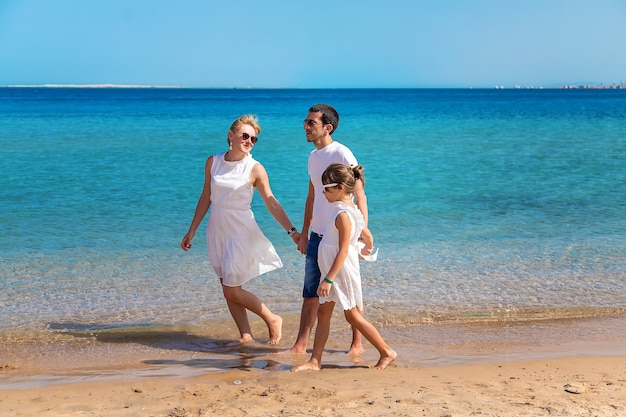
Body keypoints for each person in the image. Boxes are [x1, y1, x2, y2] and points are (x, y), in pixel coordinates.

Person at [181, 114, 301, 345]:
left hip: (240, 230)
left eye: (253, 139)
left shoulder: (255, 168)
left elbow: (271, 202)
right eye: (245, 136)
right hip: (217, 227)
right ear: (231, 136)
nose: (249, 141)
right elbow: (206, 196)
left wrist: (292, 232)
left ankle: (272, 318)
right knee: (226, 283)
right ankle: (245, 334)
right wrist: (192, 229)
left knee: (231, 289)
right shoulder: (213, 161)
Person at [292, 164, 397, 371]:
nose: (323, 193)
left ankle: (386, 351)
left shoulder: (342, 215)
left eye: (327, 188)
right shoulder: (350, 209)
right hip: (334, 268)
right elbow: (365, 231)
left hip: (339, 271)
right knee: (324, 313)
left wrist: (328, 279)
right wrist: (369, 244)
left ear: (340, 188)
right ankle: (315, 361)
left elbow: (342, 251)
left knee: (352, 315)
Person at [283, 104, 370, 355]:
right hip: (317, 236)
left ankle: (357, 343)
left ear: (327, 127)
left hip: (339, 235)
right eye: (306, 121)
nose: (306, 127)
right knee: (311, 292)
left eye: (312, 123)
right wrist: (304, 232)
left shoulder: (342, 153)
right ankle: (300, 345)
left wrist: (361, 230)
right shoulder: (312, 157)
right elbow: (311, 196)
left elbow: (360, 193)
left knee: (348, 292)